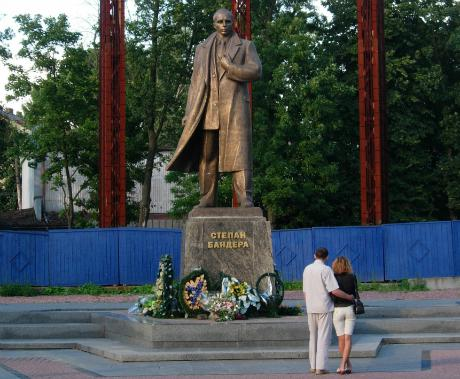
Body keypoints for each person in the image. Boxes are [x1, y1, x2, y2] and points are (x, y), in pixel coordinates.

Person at [166, 8, 262, 208]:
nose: (224, 25)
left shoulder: (245, 46)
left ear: (233, 22)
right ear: (214, 24)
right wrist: (189, 111)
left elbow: (255, 71)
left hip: (235, 108)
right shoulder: (202, 49)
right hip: (208, 108)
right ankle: (207, 198)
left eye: (227, 21)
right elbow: (195, 82)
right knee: (208, 155)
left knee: (240, 155)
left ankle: (245, 198)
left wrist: (230, 68)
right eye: (220, 22)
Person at [303, 248, 354, 375]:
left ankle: (313, 366)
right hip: (324, 307)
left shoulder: (307, 269)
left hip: (310, 307)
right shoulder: (326, 270)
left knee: (313, 337)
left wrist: (308, 303)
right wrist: (348, 297)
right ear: (326, 257)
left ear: (314, 255)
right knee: (323, 337)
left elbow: (304, 291)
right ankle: (321, 367)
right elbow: (334, 291)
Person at [331, 256, 358, 375]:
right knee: (348, 339)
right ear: (348, 265)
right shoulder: (352, 277)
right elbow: (355, 292)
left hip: (337, 310)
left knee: (341, 339)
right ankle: (347, 364)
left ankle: (342, 365)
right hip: (350, 309)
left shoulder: (332, 278)